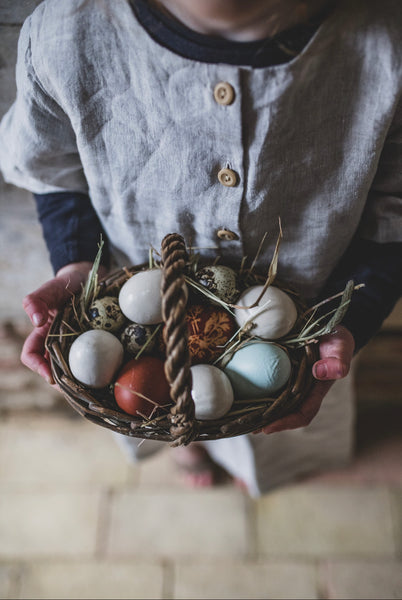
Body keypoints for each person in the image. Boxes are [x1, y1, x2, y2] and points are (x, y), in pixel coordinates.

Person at [0, 0, 401, 495]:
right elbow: (52, 174)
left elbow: (394, 213)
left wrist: (351, 318)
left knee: (269, 409)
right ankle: (185, 439)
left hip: (302, 327)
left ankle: (236, 451)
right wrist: (77, 260)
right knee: (147, 397)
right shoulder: (67, 36)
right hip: (136, 328)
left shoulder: (386, 44)